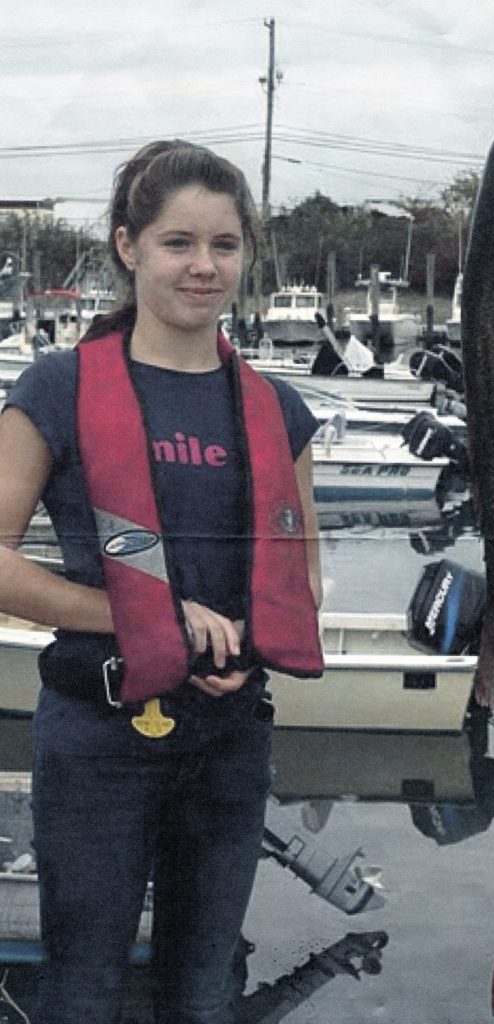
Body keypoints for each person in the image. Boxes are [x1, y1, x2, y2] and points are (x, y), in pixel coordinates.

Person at [0, 139, 324, 1024]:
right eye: (178, 242)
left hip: (227, 745)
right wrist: (146, 620)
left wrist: (247, 652)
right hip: (98, 744)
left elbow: (303, 572)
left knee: (202, 995)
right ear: (127, 246)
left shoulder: (278, 409)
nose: (204, 266)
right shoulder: (59, 388)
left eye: (224, 245)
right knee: (84, 994)